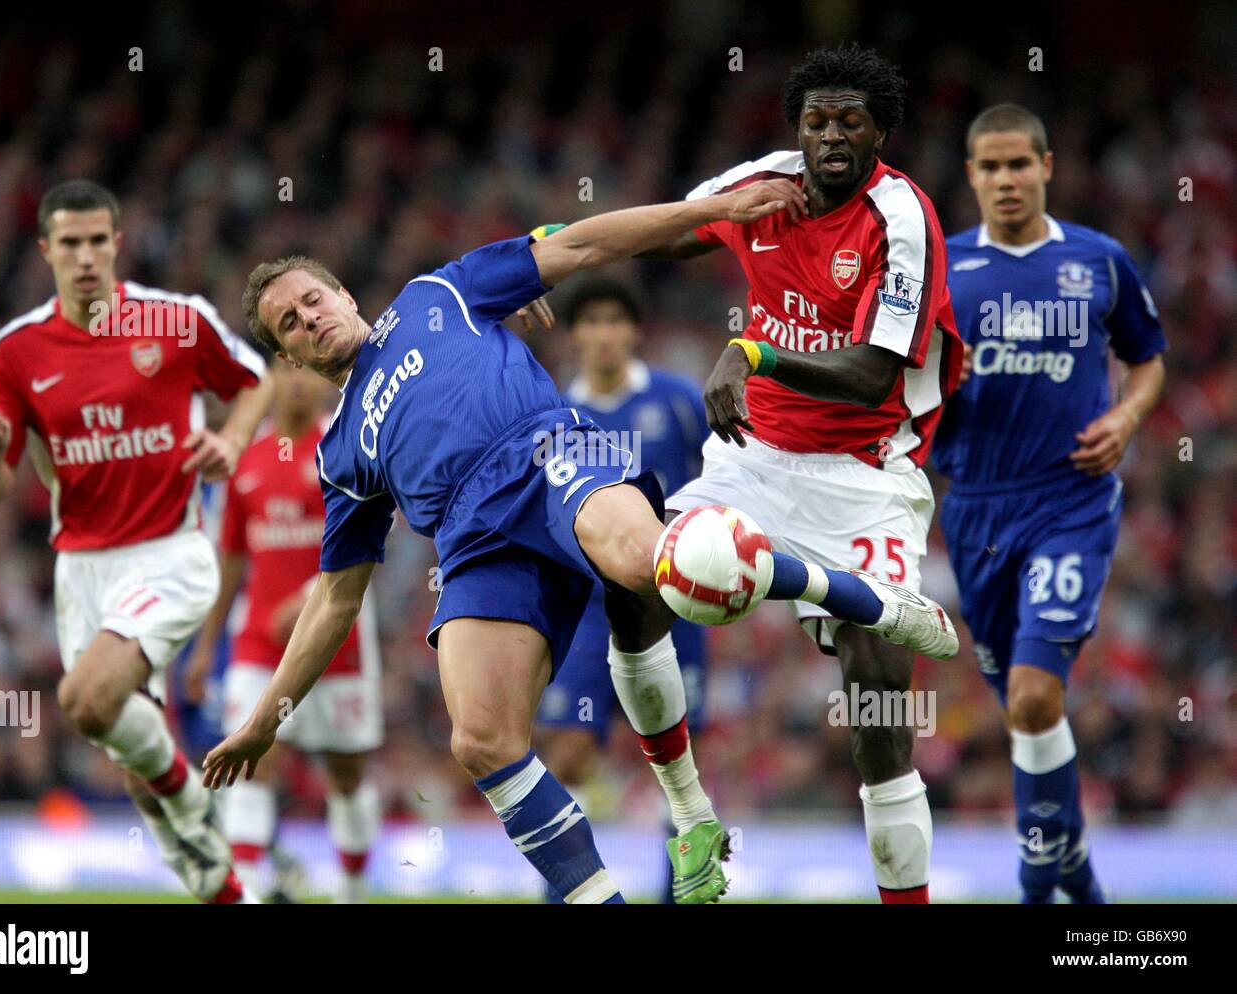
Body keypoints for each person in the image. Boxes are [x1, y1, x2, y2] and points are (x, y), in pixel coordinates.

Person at [201, 181, 958, 905]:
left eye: (311, 300)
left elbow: (587, 243)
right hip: (473, 545)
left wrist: (717, 209)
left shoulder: (438, 295)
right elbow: (336, 597)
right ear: (290, 358)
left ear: (343, 295)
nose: (308, 320)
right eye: (290, 326)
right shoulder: (341, 457)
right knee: (480, 739)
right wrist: (265, 719)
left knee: (667, 568)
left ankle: (867, 599)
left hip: (547, 457)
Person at [634, 43, 964, 904]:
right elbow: (668, 233)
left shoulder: (901, 217)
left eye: (849, 120)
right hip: (752, 460)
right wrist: (556, 254)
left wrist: (752, 350)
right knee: (632, 573)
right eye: (816, 120)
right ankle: (691, 813)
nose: (830, 136)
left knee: (882, 706)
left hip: (864, 471)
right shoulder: (765, 181)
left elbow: (872, 374)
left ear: (880, 131)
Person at [0, 179, 272, 903]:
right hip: (81, 570)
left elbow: (251, 380)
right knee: (132, 766)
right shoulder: (14, 353)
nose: (86, 256)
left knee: (87, 701)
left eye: (99, 240)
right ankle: (224, 890)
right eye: (70, 243)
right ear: (45, 251)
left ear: (117, 243)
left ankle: (194, 808)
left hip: (170, 551)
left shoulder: (177, 320)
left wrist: (230, 439)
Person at [933, 104, 1167, 903]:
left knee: (1036, 695)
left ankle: (1037, 881)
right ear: (971, 176)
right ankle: (1086, 891)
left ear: (1047, 167)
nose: (1005, 180)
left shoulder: (1099, 262)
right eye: (990, 167)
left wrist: (1128, 418)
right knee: (1026, 714)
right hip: (974, 511)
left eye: (1019, 165)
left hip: (1070, 499)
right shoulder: (941, 271)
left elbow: (1147, 358)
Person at [533, 277, 710, 903]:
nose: (605, 334)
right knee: (570, 753)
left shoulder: (680, 401)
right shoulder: (553, 415)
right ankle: (566, 892)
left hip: (671, 608)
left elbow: (720, 480)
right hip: (585, 614)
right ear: (575, 332)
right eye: (592, 321)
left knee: (672, 766)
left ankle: (674, 893)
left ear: (634, 330)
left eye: (616, 320)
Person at [184, 356, 384, 903]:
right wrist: (206, 646)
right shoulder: (246, 459)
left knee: (346, 776)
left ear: (325, 380)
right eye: (285, 368)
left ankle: (353, 886)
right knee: (253, 759)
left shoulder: (347, 450)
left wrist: (305, 600)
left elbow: (371, 537)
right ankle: (247, 889)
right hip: (257, 646)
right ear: (269, 378)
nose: (298, 380)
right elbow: (230, 558)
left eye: (308, 369)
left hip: (336, 644)